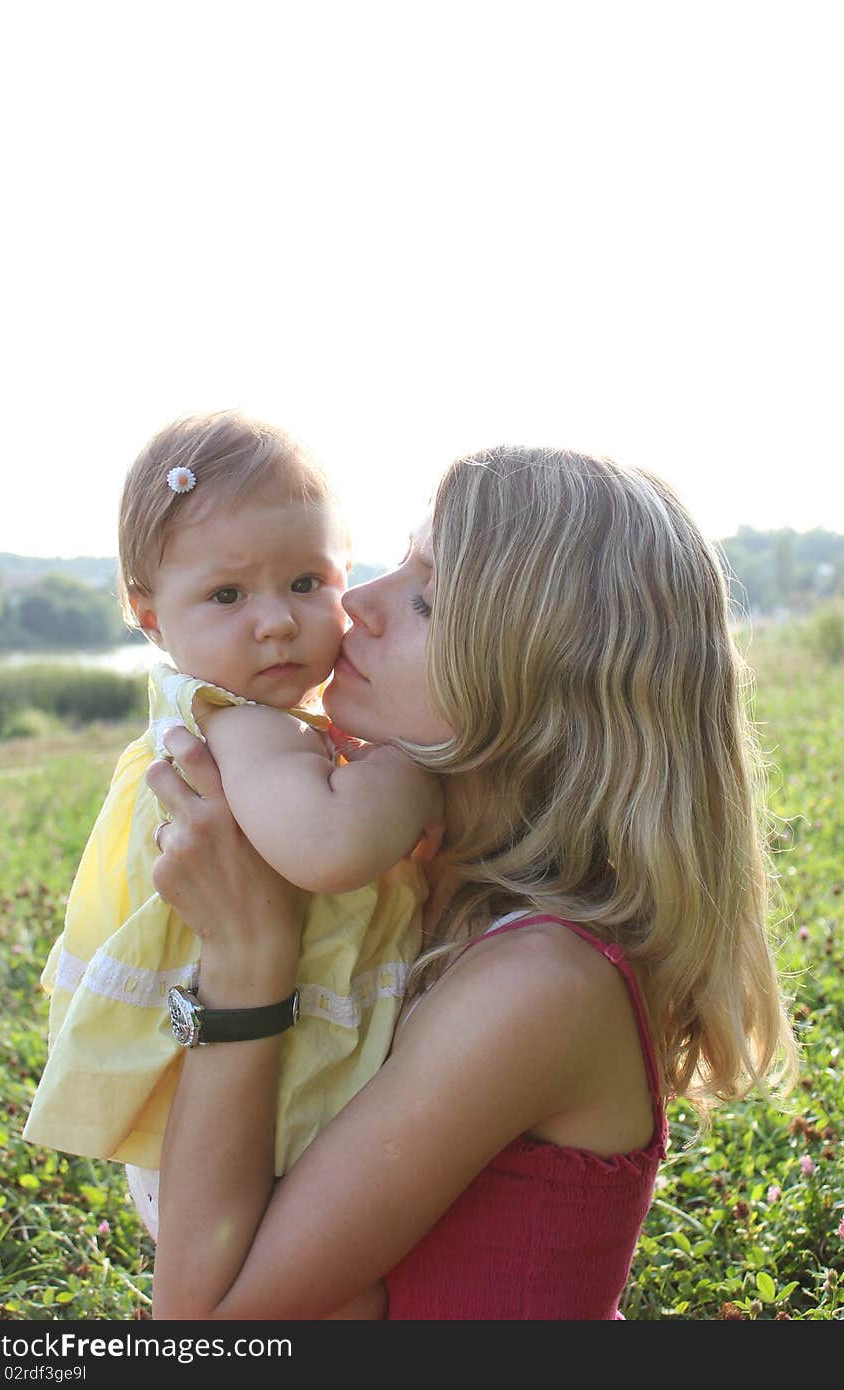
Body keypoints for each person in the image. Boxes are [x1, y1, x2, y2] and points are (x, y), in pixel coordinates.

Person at [144, 444, 798, 1321]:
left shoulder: (540, 982)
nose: (357, 605)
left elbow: (205, 1328)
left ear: (542, 677)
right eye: (397, 564)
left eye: (426, 598)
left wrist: (247, 955)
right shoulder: (418, 888)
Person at [22, 412, 442, 1242]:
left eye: (305, 583)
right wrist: (423, 762)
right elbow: (329, 847)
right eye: (226, 595)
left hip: (222, 1095)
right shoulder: (242, 724)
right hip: (255, 1106)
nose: (277, 622)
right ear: (149, 615)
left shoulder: (266, 717)